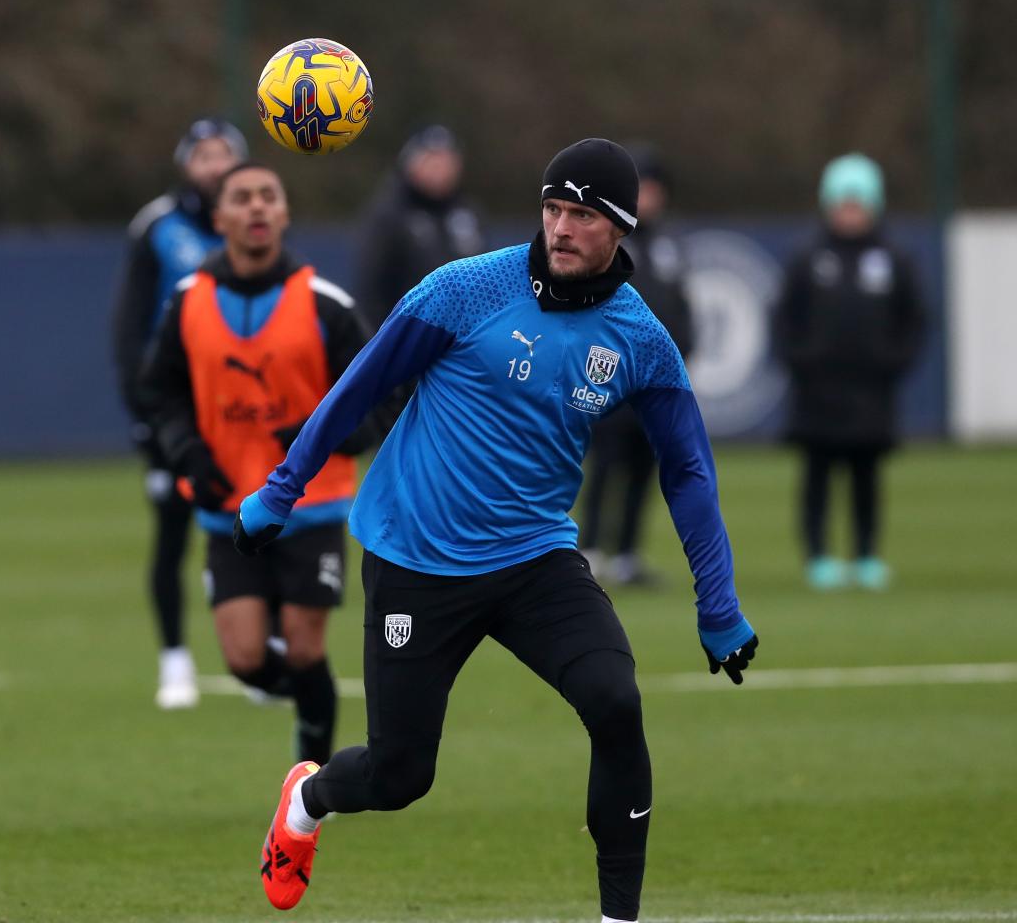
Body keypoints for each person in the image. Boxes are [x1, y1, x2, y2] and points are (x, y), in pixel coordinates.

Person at [235, 139, 760, 923]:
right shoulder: (465, 288)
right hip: (417, 556)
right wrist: (282, 488)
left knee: (616, 702)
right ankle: (307, 800)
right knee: (400, 776)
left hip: (533, 558)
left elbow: (687, 470)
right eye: (553, 209)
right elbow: (361, 385)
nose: (561, 227)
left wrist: (717, 607)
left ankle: (621, 918)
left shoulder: (641, 340)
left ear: (620, 226)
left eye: (581, 215)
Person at [137, 161, 380, 764]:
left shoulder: (325, 303)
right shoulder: (188, 301)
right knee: (246, 661)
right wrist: (189, 453)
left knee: (302, 649)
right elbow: (160, 391)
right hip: (227, 508)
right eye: (241, 198)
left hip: (312, 504)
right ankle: (316, 708)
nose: (256, 208)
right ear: (218, 218)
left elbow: (381, 390)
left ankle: (312, 780)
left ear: (284, 214)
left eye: (268, 196)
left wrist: (325, 437)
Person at [111, 116, 248, 710]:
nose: (214, 166)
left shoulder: (252, 220)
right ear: (186, 163)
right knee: (172, 535)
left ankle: (257, 654)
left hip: (241, 405)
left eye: (224, 155)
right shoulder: (157, 227)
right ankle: (175, 659)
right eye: (204, 155)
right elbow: (128, 325)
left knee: (254, 530)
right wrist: (143, 411)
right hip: (174, 408)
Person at [776, 153, 925, 591]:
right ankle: (819, 556)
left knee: (866, 477)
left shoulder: (894, 259)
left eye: (858, 203)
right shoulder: (808, 257)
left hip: (871, 395)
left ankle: (865, 556)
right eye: (843, 203)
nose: (850, 212)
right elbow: (785, 319)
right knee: (817, 476)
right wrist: (802, 361)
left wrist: (892, 363)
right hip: (817, 395)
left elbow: (914, 320)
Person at [579, 145, 694, 585]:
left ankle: (626, 553)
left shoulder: (670, 245)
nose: (649, 197)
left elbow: (682, 309)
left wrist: (681, 357)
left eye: (654, 188)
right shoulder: (607, 237)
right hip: (608, 377)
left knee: (646, 466)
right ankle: (589, 548)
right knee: (604, 464)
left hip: (656, 380)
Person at [353, 124, 486, 328]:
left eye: (446, 160)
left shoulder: (468, 213)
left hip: (466, 339)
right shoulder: (389, 216)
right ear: (411, 162)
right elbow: (370, 291)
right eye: (430, 159)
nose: (439, 168)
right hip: (408, 336)